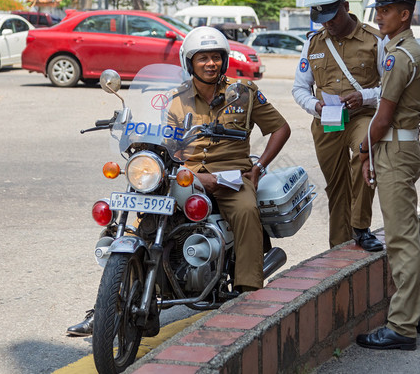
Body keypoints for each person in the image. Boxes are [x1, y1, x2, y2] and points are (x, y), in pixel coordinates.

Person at [67, 26, 291, 336]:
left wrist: (260, 165)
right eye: (203, 58)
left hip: (230, 177)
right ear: (190, 62)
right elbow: (165, 140)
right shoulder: (175, 98)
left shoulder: (245, 93)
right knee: (148, 218)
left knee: (244, 211)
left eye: (216, 57)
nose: (210, 63)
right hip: (185, 176)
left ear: (224, 61)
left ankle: (247, 292)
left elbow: (280, 128)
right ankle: (115, 302)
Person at [355, 0, 420, 350]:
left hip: (394, 150)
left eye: (386, 10)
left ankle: (401, 327)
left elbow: (383, 117)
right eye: (378, 8)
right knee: (412, 232)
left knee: (401, 238)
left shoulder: (400, 55)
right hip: (403, 148)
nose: (378, 15)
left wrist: (363, 149)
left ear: (404, 14)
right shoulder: (406, 50)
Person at [292, 0, 385, 252]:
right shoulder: (313, 43)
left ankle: (361, 227)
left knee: (364, 156)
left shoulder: (374, 41)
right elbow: (299, 89)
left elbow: (390, 89)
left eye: (332, 17)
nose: (327, 24)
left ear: (346, 6)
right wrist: (315, 106)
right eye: (322, 20)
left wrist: (364, 96)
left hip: (362, 116)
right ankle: (340, 246)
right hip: (326, 121)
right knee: (336, 186)